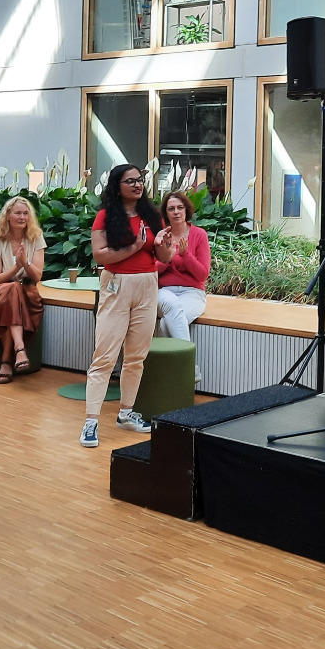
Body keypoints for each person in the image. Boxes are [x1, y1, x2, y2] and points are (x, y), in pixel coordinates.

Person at [80, 164, 173, 448]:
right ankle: (91, 421)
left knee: (136, 356)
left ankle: (126, 413)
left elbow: (164, 257)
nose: (137, 184)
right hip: (117, 284)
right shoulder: (105, 216)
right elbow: (100, 255)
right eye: (130, 180)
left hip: (147, 285)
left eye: (140, 180)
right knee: (104, 356)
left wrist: (164, 244)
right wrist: (134, 246)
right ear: (116, 186)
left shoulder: (151, 215)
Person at [0, 195, 45, 383]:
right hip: (2, 292)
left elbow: (37, 277)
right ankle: (19, 348)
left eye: (26, 213)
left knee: (15, 290)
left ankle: (7, 361)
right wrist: (17, 268)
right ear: (8, 215)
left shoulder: (36, 238)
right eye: (17, 213)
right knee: (11, 289)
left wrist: (25, 262)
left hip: (28, 294)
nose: (22, 217)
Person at [155, 189, 210, 348]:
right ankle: (192, 372)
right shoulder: (161, 236)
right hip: (164, 291)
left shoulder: (199, 235)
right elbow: (152, 270)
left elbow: (202, 275)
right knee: (171, 306)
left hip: (192, 293)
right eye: (171, 209)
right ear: (166, 213)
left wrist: (186, 255)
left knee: (167, 323)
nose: (176, 212)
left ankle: (181, 369)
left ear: (187, 210)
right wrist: (168, 258)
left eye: (180, 208)